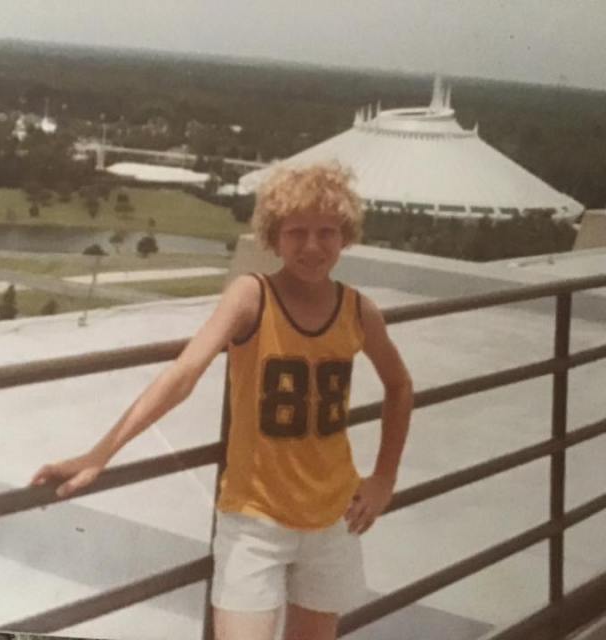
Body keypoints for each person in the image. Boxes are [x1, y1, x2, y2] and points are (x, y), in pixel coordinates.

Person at [31, 163, 413, 640]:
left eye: (326, 232)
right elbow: (183, 374)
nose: (312, 246)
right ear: (273, 238)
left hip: (333, 518)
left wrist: (384, 478)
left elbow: (399, 386)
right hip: (254, 521)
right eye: (296, 232)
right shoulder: (252, 296)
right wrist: (100, 454)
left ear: (345, 236)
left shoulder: (358, 310)